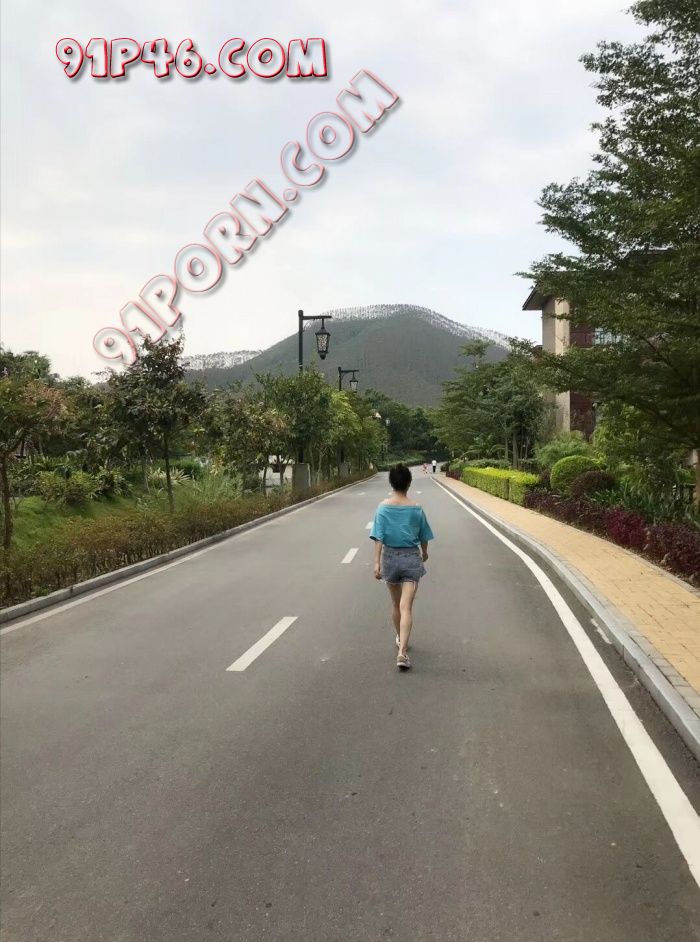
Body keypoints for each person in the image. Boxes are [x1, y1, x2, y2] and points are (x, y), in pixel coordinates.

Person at [370, 464, 434, 670]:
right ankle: (402, 652)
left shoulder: (382, 508)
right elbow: (424, 536)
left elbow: (378, 537)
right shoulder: (417, 508)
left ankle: (399, 637)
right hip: (411, 558)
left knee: (396, 605)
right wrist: (424, 552)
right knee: (406, 606)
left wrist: (377, 562)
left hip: (390, 558)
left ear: (391, 482)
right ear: (409, 483)